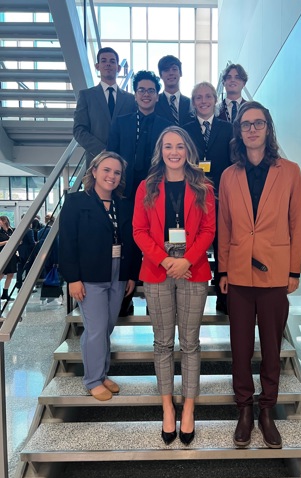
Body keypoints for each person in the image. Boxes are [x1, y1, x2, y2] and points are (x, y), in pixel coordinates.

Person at [218, 101, 301, 449]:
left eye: (258, 123)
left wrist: (294, 269)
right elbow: (224, 226)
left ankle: (267, 410)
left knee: (271, 347)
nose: (252, 129)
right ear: (238, 132)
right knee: (240, 347)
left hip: (275, 273)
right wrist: (222, 269)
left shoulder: (291, 171)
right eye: (245, 125)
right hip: (238, 273)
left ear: (268, 129)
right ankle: (244, 409)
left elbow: (297, 223)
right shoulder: (228, 175)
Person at [133, 126, 215, 446]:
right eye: (168, 146)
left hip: (193, 267)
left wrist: (187, 260)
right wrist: (166, 260)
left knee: (190, 343)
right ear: (160, 150)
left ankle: (189, 407)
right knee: (163, 343)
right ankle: (168, 407)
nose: (174, 151)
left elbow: (208, 230)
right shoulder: (147, 186)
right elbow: (139, 230)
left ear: (188, 150)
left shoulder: (204, 186)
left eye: (179, 146)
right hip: (158, 266)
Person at [59, 151, 142, 401]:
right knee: (95, 329)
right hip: (90, 275)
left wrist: (130, 276)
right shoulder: (75, 202)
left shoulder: (123, 204)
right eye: (106, 170)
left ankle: (102, 373)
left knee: (106, 327)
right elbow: (67, 243)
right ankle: (92, 379)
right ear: (94, 171)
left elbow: (131, 242)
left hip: (118, 272)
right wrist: (73, 278)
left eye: (117, 172)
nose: (111, 176)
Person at [184, 82, 233, 313]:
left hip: (221, 195)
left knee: (223, 243)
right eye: (198, 98)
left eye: (207, 97)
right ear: (193, 103)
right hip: (193, 195)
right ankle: (191, 295)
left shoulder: (228, 128)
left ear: (215, 99)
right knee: (194, 242)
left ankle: (223, 296)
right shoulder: (184, 129)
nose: (203, 101)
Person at [107, 70, 171, 200]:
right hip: (124, 190)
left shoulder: (167, 127)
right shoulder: (121, 123)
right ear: (135, 95)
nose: (146, 94)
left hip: (158, 190)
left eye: (151, 91)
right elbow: (111, 155)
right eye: (141, 90)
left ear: (157, 96)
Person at [73, 47, 136, 168]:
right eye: (104, 61)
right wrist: (102, 150)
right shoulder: (86, 96)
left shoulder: (130, 99)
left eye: (112, 61)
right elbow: (79, 130)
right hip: (96, 161)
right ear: (97, 66)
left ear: (118, 67)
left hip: (124, 162)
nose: (108, 64)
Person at [154, 55, 193, 126]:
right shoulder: (155, 102)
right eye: (166, 70)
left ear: (180, 73)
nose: (171, 73)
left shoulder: (190, 103)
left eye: (174, 69)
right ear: (160, 75)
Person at [0, 216, 18, 302]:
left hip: (12, 254)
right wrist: (7, 242)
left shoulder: (12, 230)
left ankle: (5, 293)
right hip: (3, 254)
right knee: (1, 274)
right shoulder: (0, 232)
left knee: (10, 274)